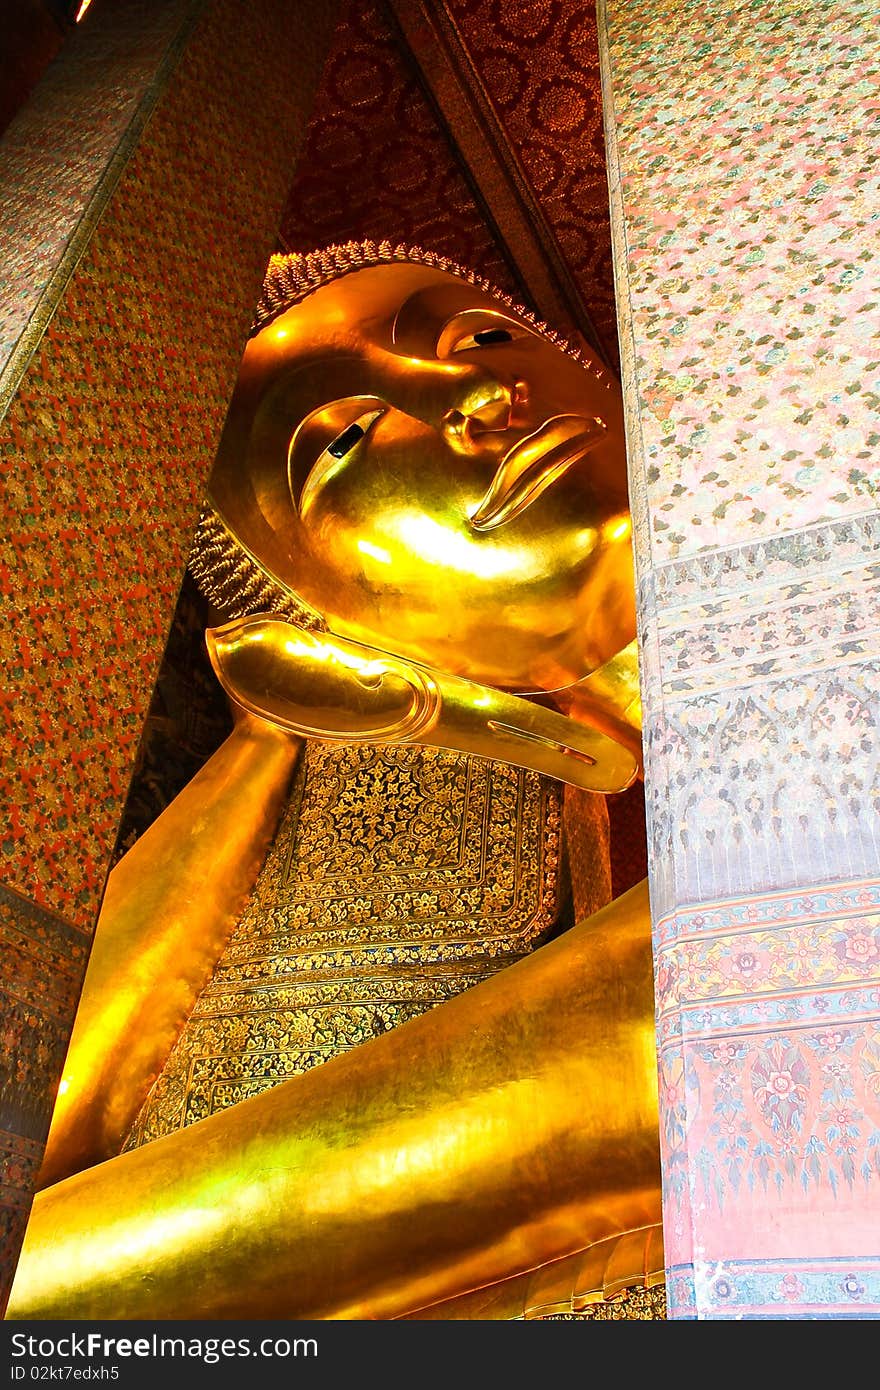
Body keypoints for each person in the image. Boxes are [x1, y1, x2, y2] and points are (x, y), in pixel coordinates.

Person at [6, 243, 663, 1321]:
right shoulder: (367, 789)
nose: (486, 396)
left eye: (483, 338)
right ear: (314, 627)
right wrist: (335, 729)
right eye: (351, 442)